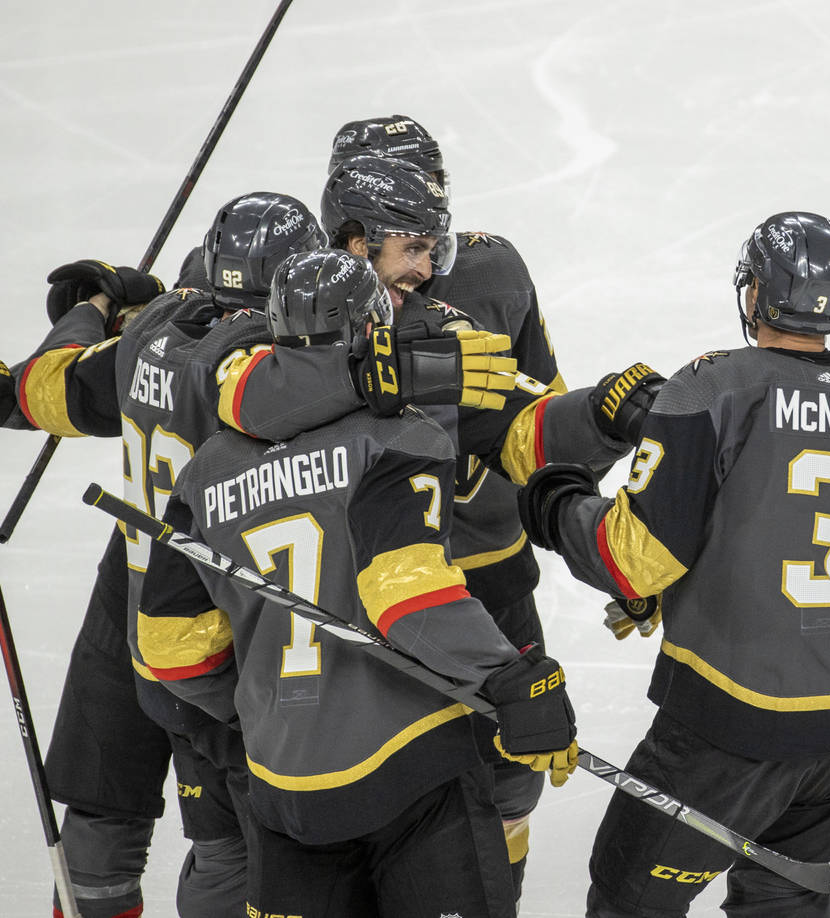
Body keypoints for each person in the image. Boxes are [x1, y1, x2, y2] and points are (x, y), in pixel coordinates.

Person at [0, 191, 515, 917]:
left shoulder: (156, 331)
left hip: (146, 617)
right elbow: (266, 394)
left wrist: (3, 377)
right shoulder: (248, 362)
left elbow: (55, 385)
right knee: (237, 855)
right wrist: (403, 369)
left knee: (112, 828)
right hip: (230, 640)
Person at [213, 146, 632, 902]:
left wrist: (599, 420)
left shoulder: (442, 324)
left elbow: (517, 429)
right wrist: (392, 372)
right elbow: (247, 392)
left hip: (458, 594)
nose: (430, 269)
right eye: (412, 248)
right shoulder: (284, 322)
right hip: (358, 628)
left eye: (435, 247)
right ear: (353, 242)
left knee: (505, 793)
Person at [517, 210, 830, 917]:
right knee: (786, 906)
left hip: (732, 730)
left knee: (630, 901)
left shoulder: (708, 388)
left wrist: (554, 503)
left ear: (753, 294)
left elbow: (635, 561)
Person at [137, 248, 580, 918]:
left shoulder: (207, 471)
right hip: (412, 770)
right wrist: (507, 678)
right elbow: (407, 598)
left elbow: (169, 646)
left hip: (283, 788)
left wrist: (261, 705)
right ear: (375, 328)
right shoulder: (399, 436)